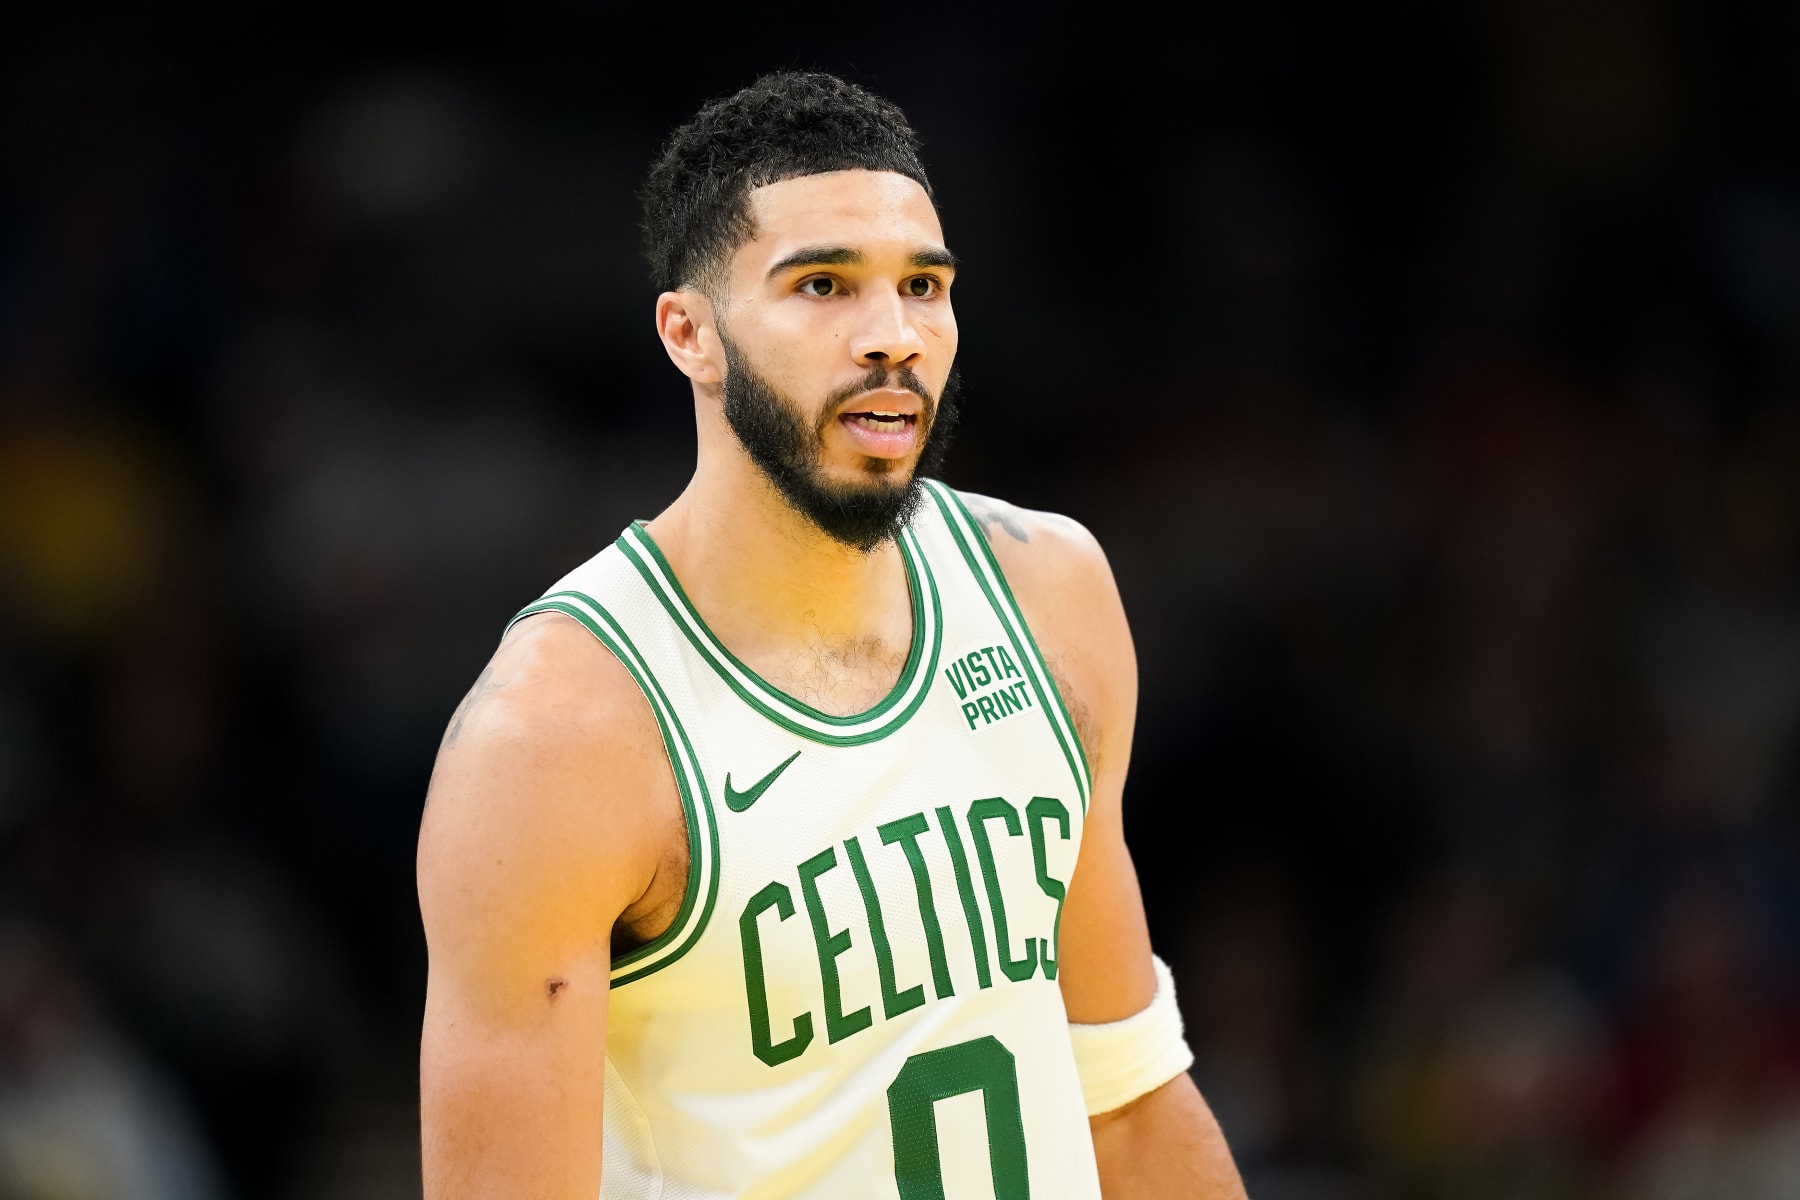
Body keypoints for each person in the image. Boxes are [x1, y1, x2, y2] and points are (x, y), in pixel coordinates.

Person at [417, 71, 1247, 1199]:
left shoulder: (1051, 593)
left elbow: (1132, 1103)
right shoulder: (558, 737)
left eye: (923, 286)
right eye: (823, 285)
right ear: (690, 335)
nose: (893, 336)